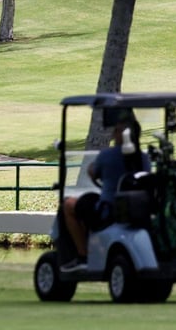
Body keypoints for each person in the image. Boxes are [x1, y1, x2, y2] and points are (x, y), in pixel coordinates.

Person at [61, 108, 147, 272]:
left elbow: (93, 171)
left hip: (110, 210)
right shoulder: (144, 157)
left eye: (116, 131)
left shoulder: (107, 156)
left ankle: (82, 255)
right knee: (88, 202)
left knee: (69, 205)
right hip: (137, 209)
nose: (113, 134)